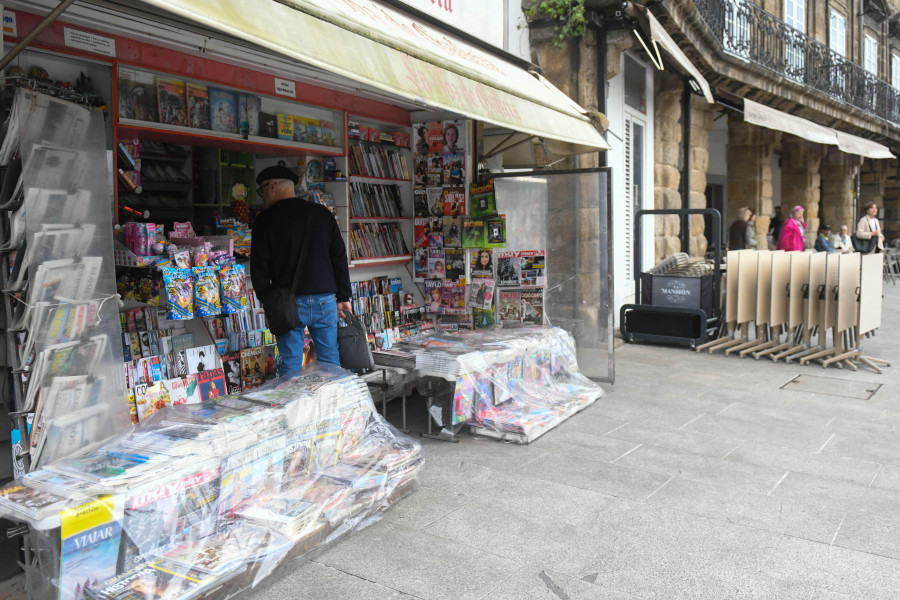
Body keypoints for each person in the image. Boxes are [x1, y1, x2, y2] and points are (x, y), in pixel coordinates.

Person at [251, 165, 352, 374]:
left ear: (273, 186)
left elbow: (259, 266)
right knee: (330, 360)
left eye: (262, 191)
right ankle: (334, 405)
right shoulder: (322, 214)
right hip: (325, 299)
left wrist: (267, 298)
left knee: (291, 364)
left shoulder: (265, 220)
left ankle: (296, 405)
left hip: (287, 303)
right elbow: (339, 257)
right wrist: (343, 296)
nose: (263, 198)